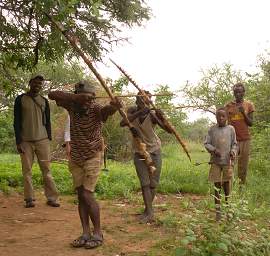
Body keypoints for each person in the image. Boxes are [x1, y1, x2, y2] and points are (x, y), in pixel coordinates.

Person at [48, 81, 119, 249]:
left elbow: (106, 112)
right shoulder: (72, 105)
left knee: (87, 195)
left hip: (93, 155)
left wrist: (114, 107)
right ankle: (85, 232)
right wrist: (76, 98)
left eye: (90, 98)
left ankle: (98, 233)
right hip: (76, 156)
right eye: (85, 98)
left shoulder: (95, 108)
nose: (88, 102)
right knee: (80, 195)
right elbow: (52, 94)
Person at [120, 91, 172, 223]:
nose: (143, 103)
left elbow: (169, 130)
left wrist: (162, 117)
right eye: (140, 100)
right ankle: (149, 212)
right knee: (145, 183)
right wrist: (140, 112)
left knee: (153, 184)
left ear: (149, 102)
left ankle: (148, 210)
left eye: (146, 101)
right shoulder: (132, 111)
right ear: (136, 101)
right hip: (139, 152)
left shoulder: (152, 115)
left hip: (155, 150)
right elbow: (123, 123)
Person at [13, 75, 60, 208]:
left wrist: (49, 138)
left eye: (40, 83)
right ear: (30, 83)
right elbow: (16, 121)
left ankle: (52, 198)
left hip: (42, 140)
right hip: (25, 141)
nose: (38, 85)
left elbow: (48, 120)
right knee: (27, 170)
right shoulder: (20, 99)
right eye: (35, 83)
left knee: (46, 170)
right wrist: (18, 141)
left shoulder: (44, 101)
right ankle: (29, 199)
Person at [204, 108, 238, 221]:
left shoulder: (231, 129)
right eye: (218, 116)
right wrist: (214, 150)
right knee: (217, 186)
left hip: (227, 162)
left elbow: (235, 144)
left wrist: (233, 152)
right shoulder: (212, 130)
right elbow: (206, 143)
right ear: (216, 117)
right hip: (216, 162)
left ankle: (228, 209)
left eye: (223, 116)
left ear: (227, 117)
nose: (221, 118)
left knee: (227, 185)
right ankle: (218, 212)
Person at [225, 83, 255, 184]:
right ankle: (228, 186)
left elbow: (251, 123)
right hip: (232, 140)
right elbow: (225, 123)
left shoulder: (249, 105)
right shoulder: (228, 106)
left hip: (245, 139)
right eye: (236, 92)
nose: (238, 94)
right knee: (230, 163)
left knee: (243, 166)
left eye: (240, 92)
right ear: (233, 93)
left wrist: (243, 113)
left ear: (244, 93)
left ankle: (241, 189)